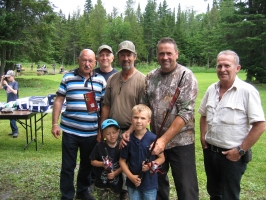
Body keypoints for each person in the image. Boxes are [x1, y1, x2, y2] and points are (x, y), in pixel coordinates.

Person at [198, 50, 266, 200]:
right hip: (210, 152)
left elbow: (260, 125)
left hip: (232, 156)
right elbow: (203, 115)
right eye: (219, 66)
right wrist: (203, 137)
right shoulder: (211, 89)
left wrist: (240, 150)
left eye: (227, 65)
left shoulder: (247, 91)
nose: (222, 69)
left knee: (229, 195)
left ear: (237, 68)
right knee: (214, 193)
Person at [138, 37, 199, 200]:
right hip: (155, 141)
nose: (165, 57)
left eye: (169, 53)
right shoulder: (150, 77)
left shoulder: (186, 76)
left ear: (176, 54)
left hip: (181, 142)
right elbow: (143, 109)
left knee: (186, 187)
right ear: (157, 55)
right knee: (156, 184)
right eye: (161, 53)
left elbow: (186, 112)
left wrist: (163, 141)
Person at [51, 49, 106, 200]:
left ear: (95, 62)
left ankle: (82, 191)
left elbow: (104, 107)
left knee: (87, 165)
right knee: (68, 165)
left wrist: (101, 131)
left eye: (90, 61)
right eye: (84, 60)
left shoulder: (101, 81)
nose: (87, 64)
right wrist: (55, 124)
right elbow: (58, 100)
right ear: (78, 60)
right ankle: (67, 195)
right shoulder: (68, 78)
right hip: (70, 131)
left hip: (91, 132)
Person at [101, 40, 146, 200]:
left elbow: (142, 111)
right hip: (113, 129)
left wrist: (129, 132)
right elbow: (106, 105)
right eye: (122, 55)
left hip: (132, 130)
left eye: (129, 55)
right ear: (118, 57)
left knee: (130, 161)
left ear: (135, 56)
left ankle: (127, 192)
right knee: (113, 159)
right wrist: (102, 130)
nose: (126, 58)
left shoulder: (142, 80)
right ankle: (114, 187)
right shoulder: (112, 79)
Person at [119, 104, 165, 200]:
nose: (139, 121)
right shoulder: (127, 140)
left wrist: (151, 165)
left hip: (150, 184)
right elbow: (122, 161)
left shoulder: (153, 138)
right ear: (131, 120)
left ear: (149, 121)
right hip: (133, 184)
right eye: (136, 117)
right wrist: (131, 177)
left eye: (143, 118)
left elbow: (162, 158)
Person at [90, 119, 123, 200]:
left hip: (116, 182)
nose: (112, 136)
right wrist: (102, 164)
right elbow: (92, 161)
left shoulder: (121, 146)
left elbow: (125, 165)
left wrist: (115, 173)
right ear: (103, 134)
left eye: (114, 132)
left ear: (118, 131)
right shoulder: (99, 146)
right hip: (101, 183)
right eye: (108, 134)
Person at [0, 70, 19, 138]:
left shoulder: (15, 83)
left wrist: (7, 85)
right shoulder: (8, 83)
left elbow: (15, 92)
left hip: (14, 103)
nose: (8, 78)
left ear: (13, 76)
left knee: (12, 117)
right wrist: (2, 80)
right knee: (10, 117)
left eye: (9, 77)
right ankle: (14, 131)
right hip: (9, 103)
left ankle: (15, 132)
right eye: (7, 77)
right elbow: (0, 88)